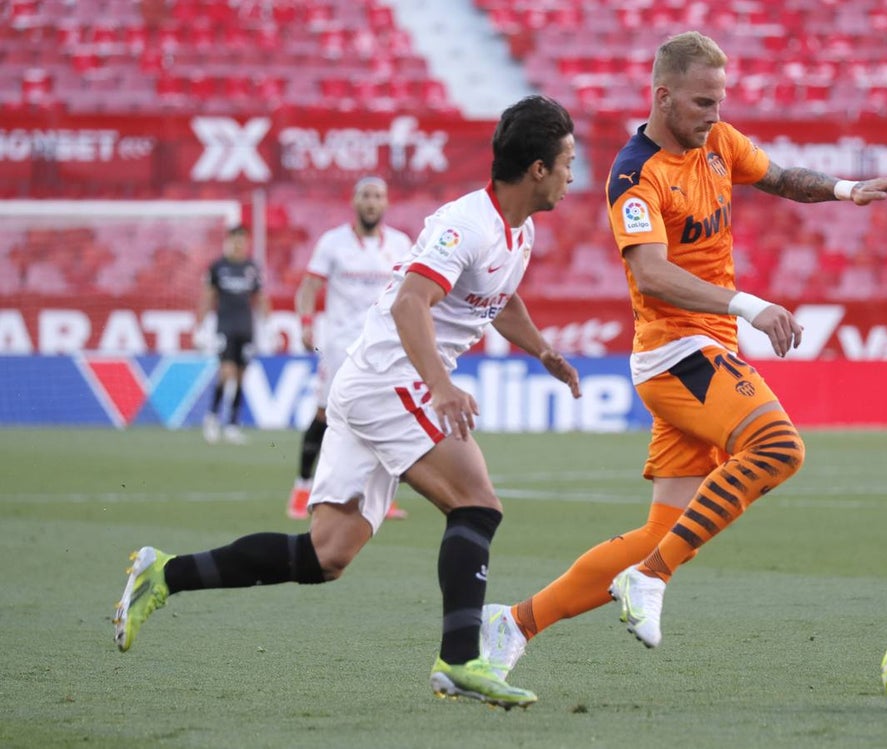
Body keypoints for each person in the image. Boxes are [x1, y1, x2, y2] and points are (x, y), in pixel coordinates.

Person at [112, 95, 581, 710]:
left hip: (376, 384)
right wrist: (440, 384)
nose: (574, 175)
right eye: (568, 161)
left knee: (325, 555)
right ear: (538, 169)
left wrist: (543, 352)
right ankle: (462, 659)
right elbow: (412, 302)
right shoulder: (465, 223)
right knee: (476, 503)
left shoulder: (518, 231)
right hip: (393, 378)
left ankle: (162, 574)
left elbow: (502, 298)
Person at [480, 31, 887, 676]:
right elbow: (654, 274)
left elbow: (780, 178)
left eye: (719, 101)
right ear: (663, 97)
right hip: (674, 353)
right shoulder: (635, 176)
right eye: (702, 103)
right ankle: (651, 579)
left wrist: (848, 190)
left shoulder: (715, 142)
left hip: (701, 351)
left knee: (659, 531)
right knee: (778, 448)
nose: (715, 115)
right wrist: (749, 304)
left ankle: (515, 623)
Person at [289, 177, 414, 521]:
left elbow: (411, 292)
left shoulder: (401, 243)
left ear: (386, 203)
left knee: (386, 417)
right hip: (340, 345)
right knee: (325, 414)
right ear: (354, 201)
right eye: (366, 196)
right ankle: (302, 489)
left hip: (383, 345)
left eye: (378, 196)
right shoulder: (333, 243)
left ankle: (381, 498)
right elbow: (308, 287)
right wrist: (305, 323)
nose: (372, 202)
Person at [195, 224, 269, 444]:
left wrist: (267, 325)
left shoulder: (252, 268)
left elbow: (261, 297)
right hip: (225, 326)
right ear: (229, 241)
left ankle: (233, 425)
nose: (239, 243)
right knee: (225, 372)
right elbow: (208, 296)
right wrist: (200, 325)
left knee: (240, 377)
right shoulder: (218, 267)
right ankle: (212, 417)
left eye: (242, 239)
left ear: (246, 242)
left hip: (246, 327)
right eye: (235, 239)